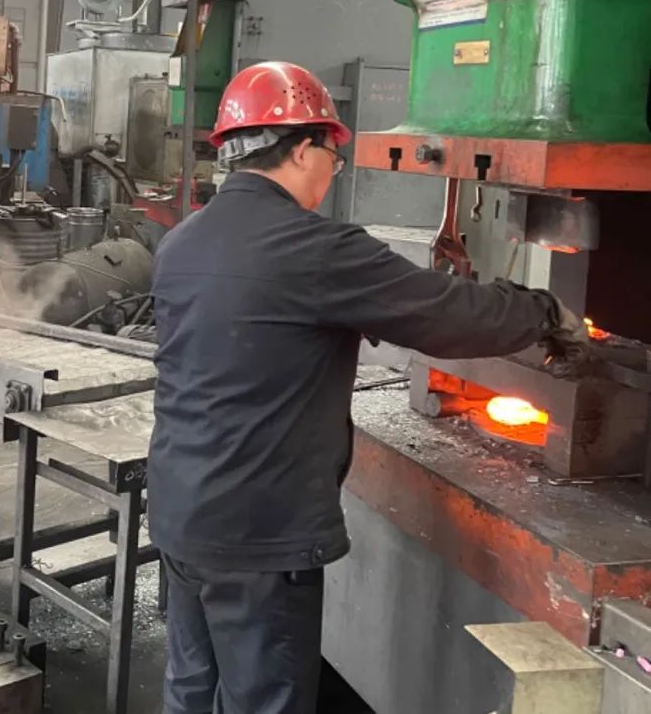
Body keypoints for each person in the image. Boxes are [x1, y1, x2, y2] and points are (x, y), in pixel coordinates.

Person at [147, 62, 589, 714]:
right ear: (303, 149)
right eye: (333, 155)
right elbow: (445, 312)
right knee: (263, 700)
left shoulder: (180, 244)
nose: (333, 171)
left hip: (180, 513)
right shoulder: (315, 249)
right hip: (259, 535)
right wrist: (543, 312)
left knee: (190, 688)